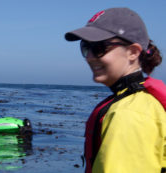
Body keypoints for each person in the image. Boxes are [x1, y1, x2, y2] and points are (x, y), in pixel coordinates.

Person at [65, 8, 166, 173]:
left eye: (98, 48)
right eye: (85, 47)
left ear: (132, 52)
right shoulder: (138, 102)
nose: (89, 56)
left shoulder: (130, 114)